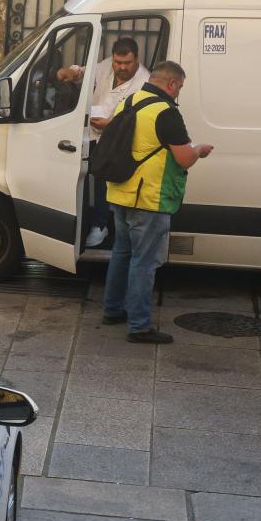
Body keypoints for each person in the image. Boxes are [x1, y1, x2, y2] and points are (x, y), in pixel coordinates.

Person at [101, 61, 214, 343]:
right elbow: (184, 158)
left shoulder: (130, 100)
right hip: (149, 198)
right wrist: (199, 150)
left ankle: (113, 310)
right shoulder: (166, 112)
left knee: (121, 253)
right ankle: (139, 326)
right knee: (145, 262)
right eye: (180, 88)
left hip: (120, 192)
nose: (178, 94)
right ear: (172, 84)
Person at [58, 38, 152, 246]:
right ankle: (77, 223)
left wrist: (109, 126)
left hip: (116, 139)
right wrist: (71, 73)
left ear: (136, 59)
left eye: (126, 63)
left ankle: (100, 225)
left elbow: (137, 120)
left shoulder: (144, 82)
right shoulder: (107, 65)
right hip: (90, 132)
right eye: (118, 62)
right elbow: (85, 72)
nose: (121, 67)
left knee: (102, 181)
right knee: (80, 175)